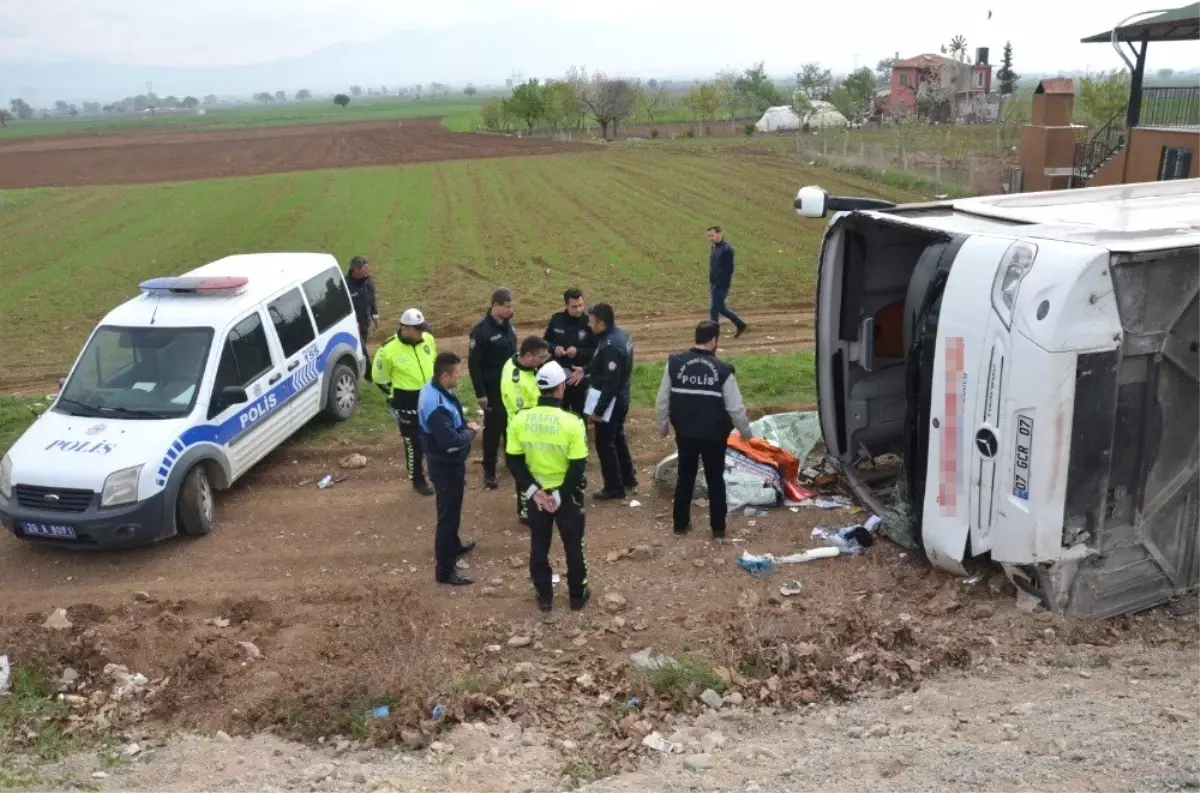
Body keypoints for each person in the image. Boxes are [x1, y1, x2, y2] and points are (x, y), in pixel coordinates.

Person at [655, 320, 754, 540]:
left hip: (686, 433)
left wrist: (662, 427)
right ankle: (718, 529)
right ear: (714, 341)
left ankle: (680, 525)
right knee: (715, 480)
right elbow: (735, 409)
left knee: (685, 477)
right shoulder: (724, 371)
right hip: (715, 436)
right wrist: (747, 434)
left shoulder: (674, 363)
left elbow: (662, 400)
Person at [506, 361, 591, 612]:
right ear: (561, 387)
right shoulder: (572, 422)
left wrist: (534, 492)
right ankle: (577, 594)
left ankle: (544, 597)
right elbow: (578, 466)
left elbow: (514, 460)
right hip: (566, 496)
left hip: (536, 498)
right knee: (574, 545)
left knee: (539, 545)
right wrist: (559, 495)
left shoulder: (520, 420)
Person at [418, 352, 482, 586]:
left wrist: (464, 425)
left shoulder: (435, 389)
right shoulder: (435, 405)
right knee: (447, 516)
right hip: (445, 465)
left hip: (449, 463)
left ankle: (453, 545)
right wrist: (472, 432)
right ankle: (445, 570)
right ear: (445, 376)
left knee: (452, 510)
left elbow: (452, 422)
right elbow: (450, 441)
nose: (460, 376)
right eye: (457, 373)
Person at [574, 303, 636, 500]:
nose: (589, 325)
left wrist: (598, 412)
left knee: (604, 443)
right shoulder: (620, 335)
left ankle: (614, 487)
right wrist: (585, 370)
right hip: (622, 397)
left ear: (601, 323)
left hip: (611, 402)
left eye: (592, 322)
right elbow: (599, 360)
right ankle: (628, 478)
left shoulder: (611, 346)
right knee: (617, 437)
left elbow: (610, 383)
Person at [372, 309, 437, 496]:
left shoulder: (427, 339)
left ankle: (438, 473)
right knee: (413, 443)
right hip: (406, 402)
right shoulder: (388, 349)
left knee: (435, 436)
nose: (422, 333)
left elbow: (433, 361)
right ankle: (417, 479)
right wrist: (394, 397)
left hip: (430, 397)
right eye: (417, 329)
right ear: (406, 328)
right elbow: (379, 377)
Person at [468, 289, 518, 490]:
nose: (510, 310)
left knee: (511, 427)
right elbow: (474, 365)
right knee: (493, 432)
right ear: (496, 305)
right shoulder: (481, 331)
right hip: (493, 390)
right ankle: (489, 471)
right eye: (507, 307)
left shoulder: (508, 327)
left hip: (511, 388)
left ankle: (511, 463)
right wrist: (481, 394)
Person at [500, 336, 551, 523]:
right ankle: (525, 511)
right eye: (541, 357)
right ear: (528, 356)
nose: (543, 361)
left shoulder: (519, 362)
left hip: (530, 427)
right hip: (524, 432)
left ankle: (533, 504)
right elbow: (524, 415)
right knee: (526, 471)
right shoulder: (516, 382)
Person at [543, 288, 597, 416]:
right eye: (574, 306)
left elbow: (596, 350)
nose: (579, 309)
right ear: (566, 305)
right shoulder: (557, 320)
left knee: (580, 413)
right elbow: (545, 341)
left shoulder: (589, 322)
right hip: (559, 376)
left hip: (580, 376)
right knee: (560, 412)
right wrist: (554, 348)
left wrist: (578, 351)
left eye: (581, 305)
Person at [707, 227, 748, 339]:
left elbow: (729, 270)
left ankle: (713, 334)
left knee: (714, 309)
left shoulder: (727, 249)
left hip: (721, 284)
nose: (710, 238)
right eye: (709, 236)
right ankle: (741, 324)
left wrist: (721, 283)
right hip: (714, 281)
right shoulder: (714, 247)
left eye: (712, 235)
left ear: (719, 234)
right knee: (721, 308)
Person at [346, 256, 379, 369]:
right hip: (353, 325)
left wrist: (375, 317)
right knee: (362, 347)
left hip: (366, 321)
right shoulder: (346, 285)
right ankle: (369, 373)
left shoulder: (368, 281)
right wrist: (353, 322)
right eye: (365, 268)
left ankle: (357, 366)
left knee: (361, 345)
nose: (367, 270)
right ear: (356, 269)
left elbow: (372, 299)